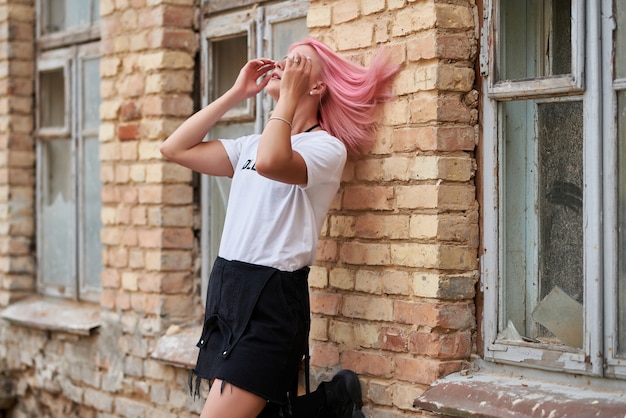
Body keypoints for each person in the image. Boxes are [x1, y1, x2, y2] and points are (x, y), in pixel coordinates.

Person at [160, 37, 399, 418]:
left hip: (271, 298)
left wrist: (287, 97)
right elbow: (174, 148)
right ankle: (329, 405)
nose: (283, 65)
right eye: (285, 60)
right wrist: (237, 93)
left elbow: (274, 161)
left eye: (297, 63)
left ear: (317, 87)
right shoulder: (250, 145)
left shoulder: (325, 149)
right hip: (228, 290)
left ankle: (329, 404)